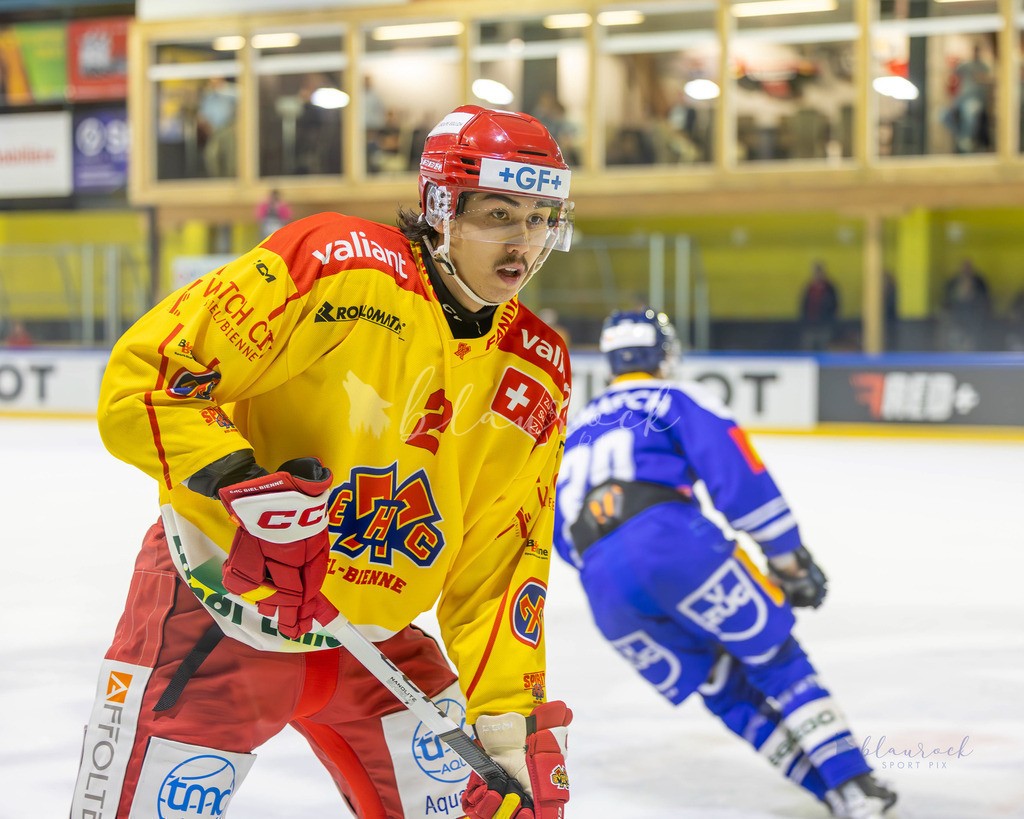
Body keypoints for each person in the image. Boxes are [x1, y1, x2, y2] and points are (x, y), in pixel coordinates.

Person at [70, 105, 577, 819]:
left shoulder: (538, 366)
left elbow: (502, 564)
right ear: (442, 208)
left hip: (372, 644)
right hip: (221, 610)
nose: (522, 240)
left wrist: (506, 728)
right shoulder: (334, 264)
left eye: (538, 217)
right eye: (498, 212)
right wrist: (244, 485)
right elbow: (146, 382)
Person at [553, 309, 898, 819]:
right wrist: (792, 562)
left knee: (720, 688)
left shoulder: (576, 427)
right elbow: (741, 482)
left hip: (602, 586)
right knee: (774, 656)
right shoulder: (677, 398)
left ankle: (831, 797)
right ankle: (855, 788)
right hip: (672, 543)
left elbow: (558, 532)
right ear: (661, 355)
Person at [941, 258, 991, 351]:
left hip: (975, 341)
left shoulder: (979, 305)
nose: (965, 287)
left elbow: (979, 323)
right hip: (954, 339)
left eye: (968, 285)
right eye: (962, 285)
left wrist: (970, 340)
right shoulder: (952, 305)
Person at [799, 260, 840, 351]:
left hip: (824, 325)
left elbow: (834, 306)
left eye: (819, 272)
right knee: (808, 349)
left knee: (823, 349)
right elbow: (804, 306)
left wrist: (830, 321)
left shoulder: (829, 288)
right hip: (810, 325)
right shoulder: (810, 288)